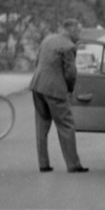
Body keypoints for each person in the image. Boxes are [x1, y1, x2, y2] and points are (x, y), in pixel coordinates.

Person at [29, 19, 87, 173]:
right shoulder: (69, 46)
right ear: (72, 31)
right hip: (55, 90)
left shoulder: (47, 39)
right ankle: (73, 164)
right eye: (79, 31)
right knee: (66, 125)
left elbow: (37, 62)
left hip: (37, 86)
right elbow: (70, 73)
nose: (79, 35)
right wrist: (69, 89)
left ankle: (43, 164)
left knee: (41, 125)